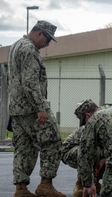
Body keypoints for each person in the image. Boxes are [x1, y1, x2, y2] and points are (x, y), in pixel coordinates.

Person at [7, 20, 65, 197]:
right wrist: (40, 108)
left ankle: (21, 189)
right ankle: (45, 184)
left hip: (18, 109)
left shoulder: (17, 45)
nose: (47, 44)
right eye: (47, 39)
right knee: (53, 142)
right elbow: (30, 82)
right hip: (32, 109)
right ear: (39, 33)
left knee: (25, 148)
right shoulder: (29, 49)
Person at [61, 101, 106, 197]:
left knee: (105, 156)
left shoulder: (101, 122)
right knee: (93, 152)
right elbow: (85, 151)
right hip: (70, 152)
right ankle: (81, 184)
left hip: (88, 151)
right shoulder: (88, 128)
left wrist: (104, 158)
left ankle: (95, 182)